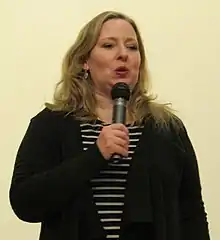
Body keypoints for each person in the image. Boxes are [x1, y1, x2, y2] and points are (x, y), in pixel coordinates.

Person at [9, 10, 210, 240]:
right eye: (108, 45)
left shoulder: (168, 128)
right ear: (85, 61)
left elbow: (192, 213)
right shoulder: (52, 123)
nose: (123, 54)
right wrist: (95, 156)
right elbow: (24, 202)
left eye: (132, 47)